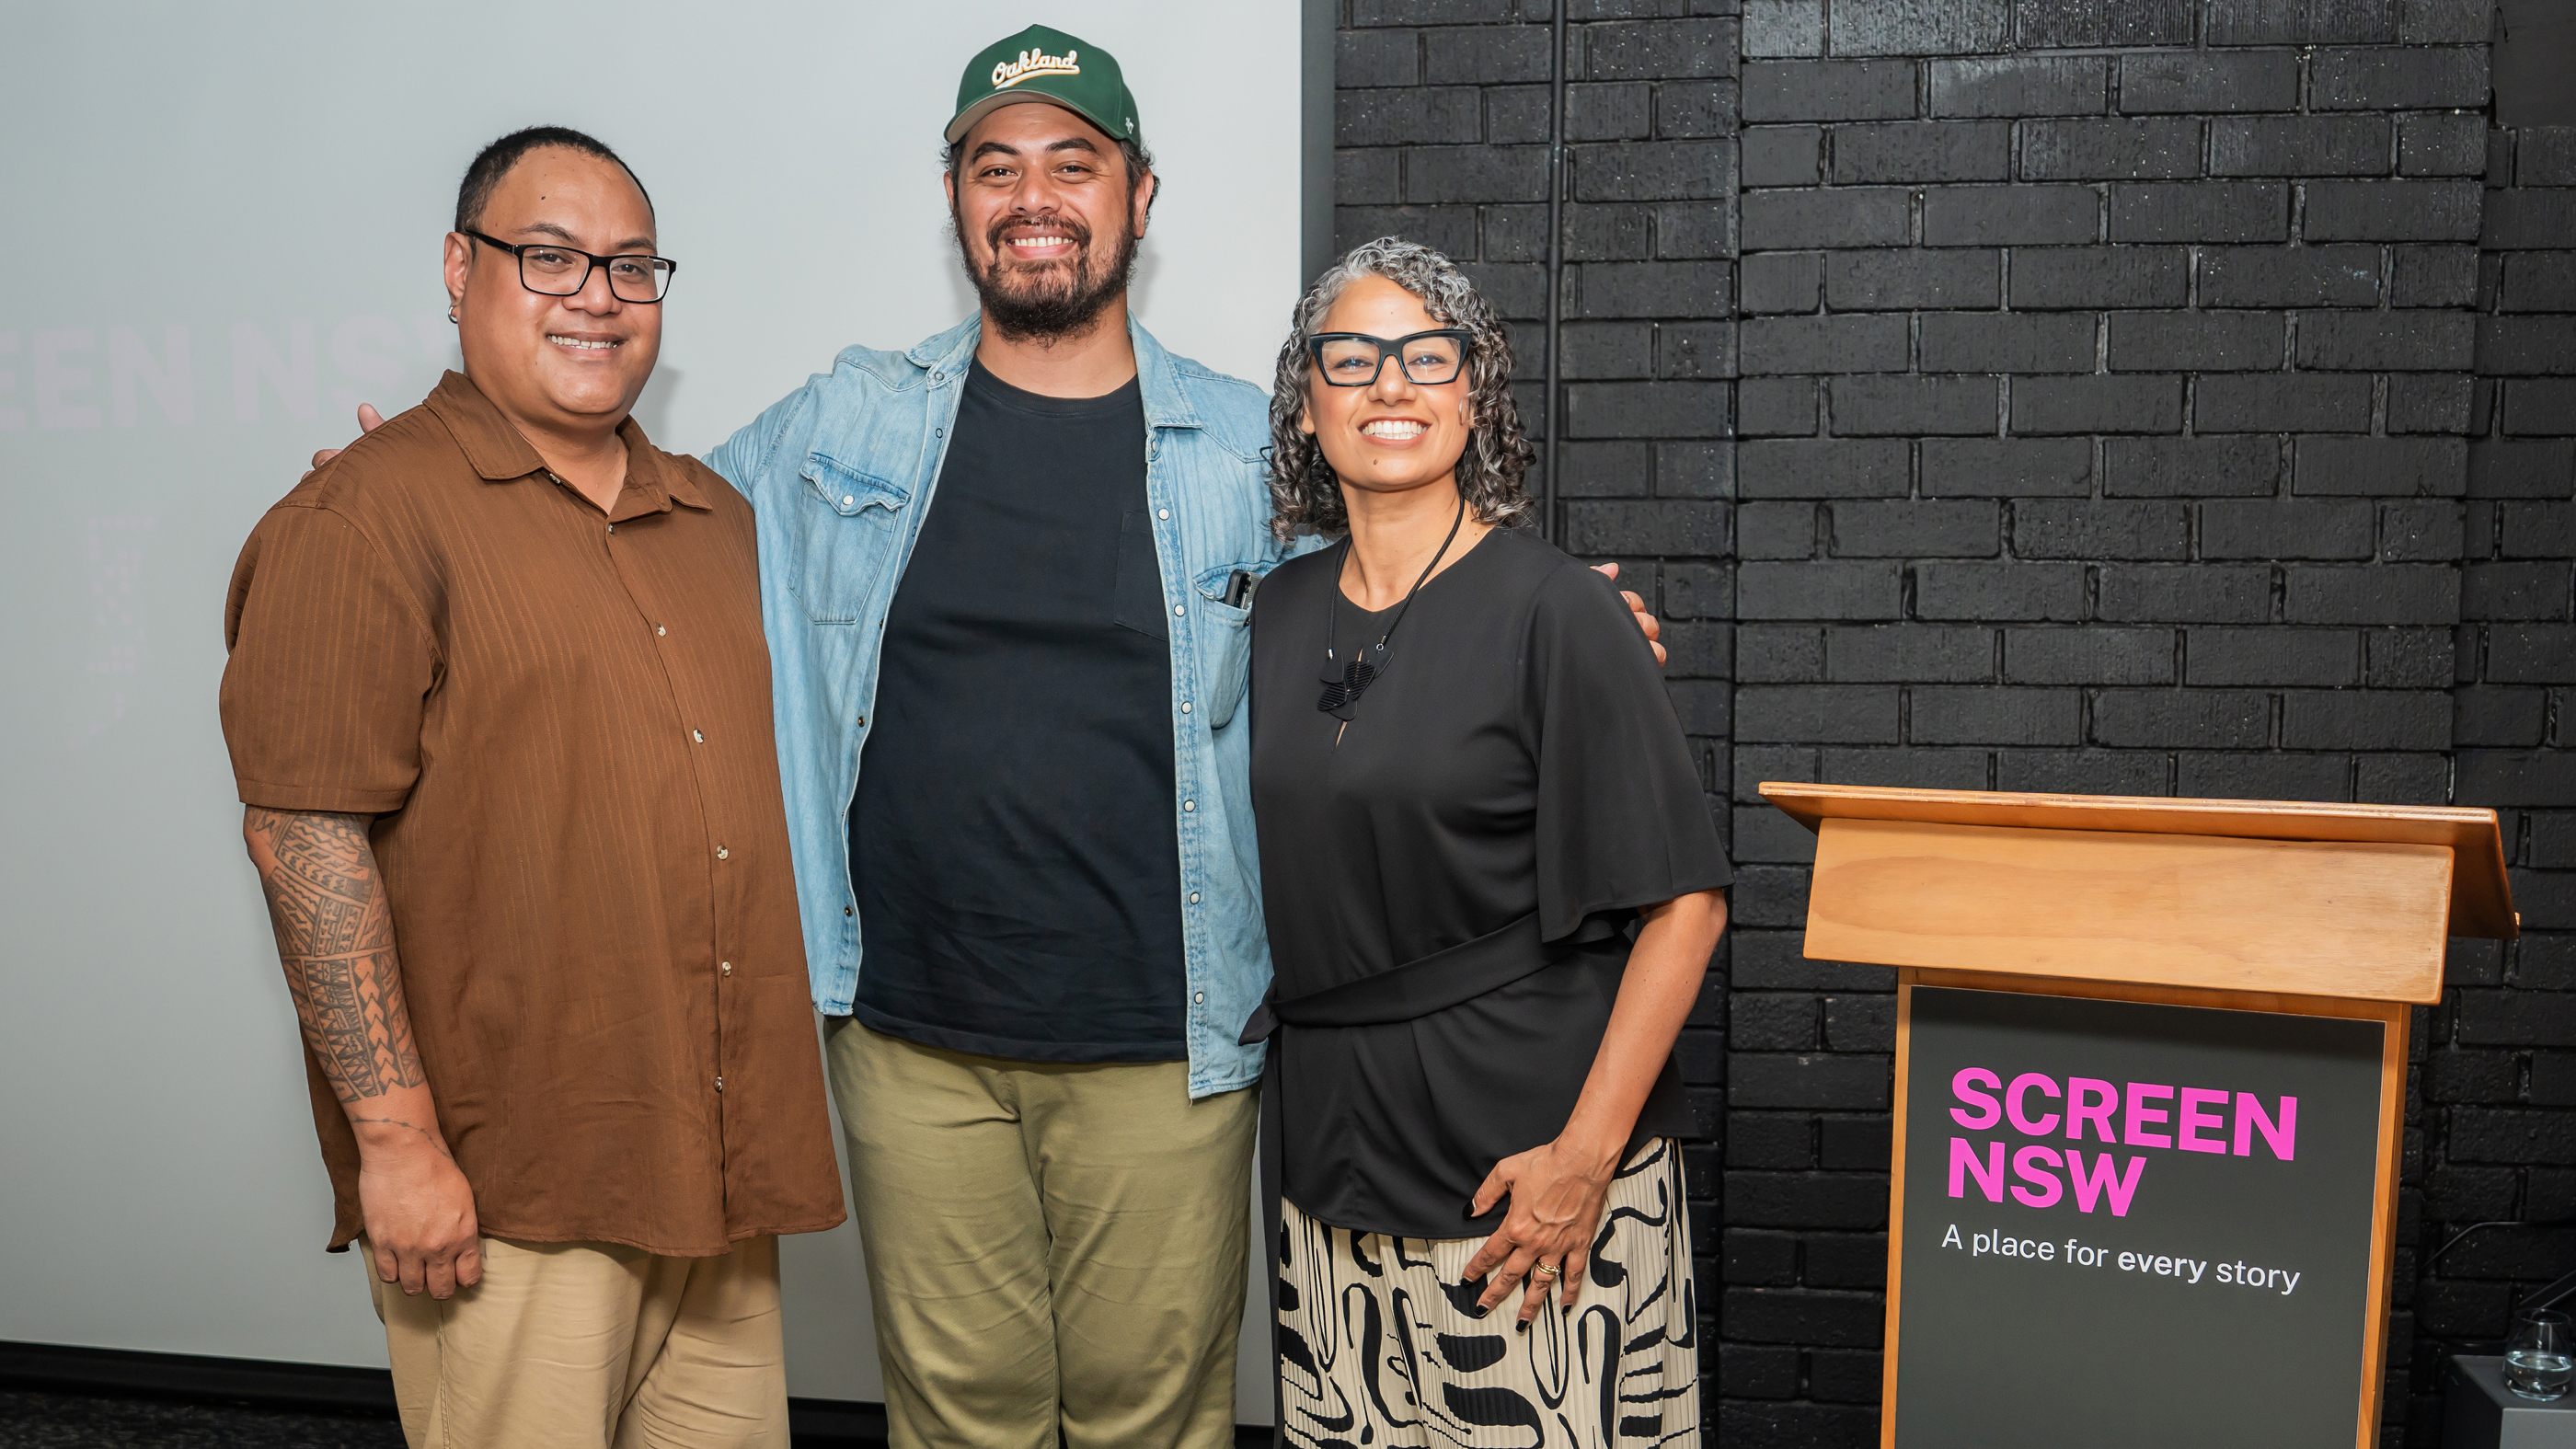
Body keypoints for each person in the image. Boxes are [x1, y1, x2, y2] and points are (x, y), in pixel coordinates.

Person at [306, 28, 1662, 1447]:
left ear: (1140, 197)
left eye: (1073, 164)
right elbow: (628, 515)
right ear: (954, 201)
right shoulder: (853, 420)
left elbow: (1404, 577)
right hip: (911, 1043)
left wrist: (1550, 613)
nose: (1034, 196)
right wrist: (437, 487)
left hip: (1169, 1041)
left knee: (1156, 1423)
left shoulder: (1236, 445)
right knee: (959, 1421)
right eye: (994, 166)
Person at [221, 126, 843, 1449]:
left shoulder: (713, 518)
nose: (598, 296)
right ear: (460, 269)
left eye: (631, 265)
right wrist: (395, 1147)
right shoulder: (365, 520)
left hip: (714, 1170)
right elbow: (304, 839)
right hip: (513, 1183)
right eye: (549, 257)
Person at [1242, 237, 1731, 1446]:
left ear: (1476, 392)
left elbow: (1687, 906)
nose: (1391, 386)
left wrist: (1586, 1157)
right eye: (1350, 359)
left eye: (1428, 355)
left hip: (1529, 1184)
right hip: (1332, 1176)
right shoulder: (1275, 613)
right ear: (1307, 409)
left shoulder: (1559, 608)